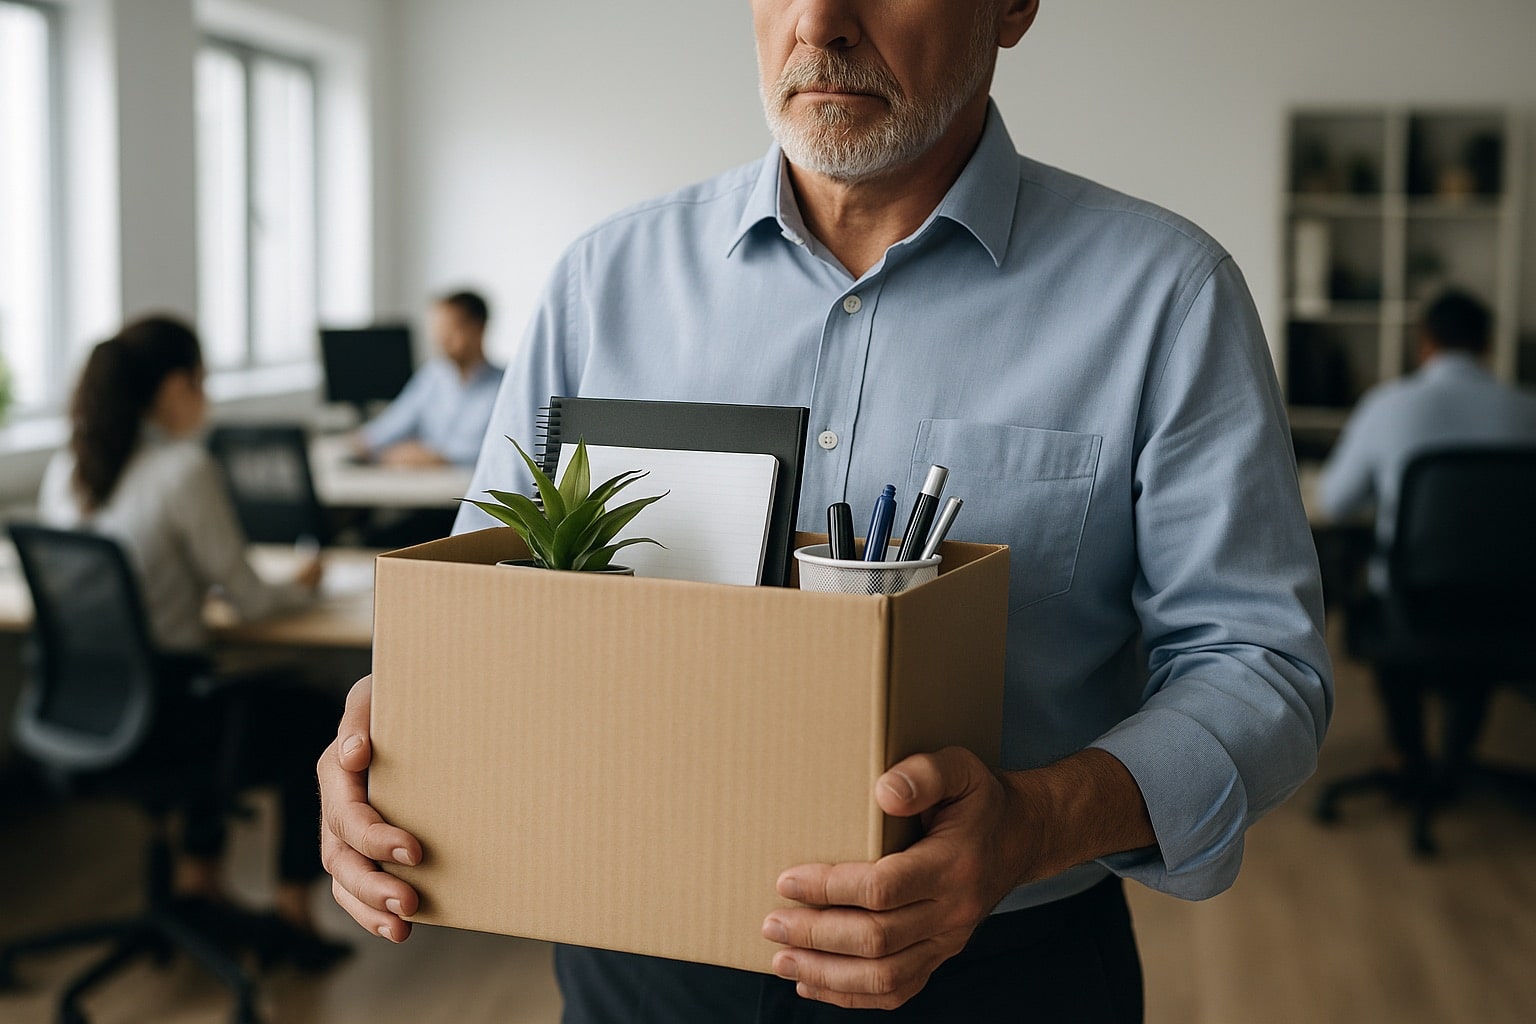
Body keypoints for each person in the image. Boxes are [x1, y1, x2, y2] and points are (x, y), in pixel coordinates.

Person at [319, 2, 1332, 1020]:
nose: (820, 20)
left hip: (1000, 970)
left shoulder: (1166, 297)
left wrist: (1033, 821)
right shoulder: (602, 284)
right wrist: (392, 735)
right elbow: (482, 616)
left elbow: (1260, 665)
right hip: (637, 969)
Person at [39, 314, 351, 970]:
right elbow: (252, 599)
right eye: (202, 382)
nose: (205, 398)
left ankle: (198, 883)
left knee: (218, 684)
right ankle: (293, 913)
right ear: (175, 386)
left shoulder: (67, 470)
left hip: (80, 714)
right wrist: (307, 581)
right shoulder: (183, 469)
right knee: (316, 713)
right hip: (166, 716)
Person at [1318, 287, 1536, 581]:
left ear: (1425, 343)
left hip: (1411, 605)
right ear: (1488, 345)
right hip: (1513, 602)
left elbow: (1334, 502)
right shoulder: (1528, 411)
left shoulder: (1384, 405)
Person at [352, 289, 503, 468]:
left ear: (478, 328)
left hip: (470, 486)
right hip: (424, 484)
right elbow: (396, 422)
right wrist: (364, 442)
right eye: (438, 329)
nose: (441, 339)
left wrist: (440, 457)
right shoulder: (432, 377)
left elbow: (503, 449)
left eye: (451, 329)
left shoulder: (503, 387)